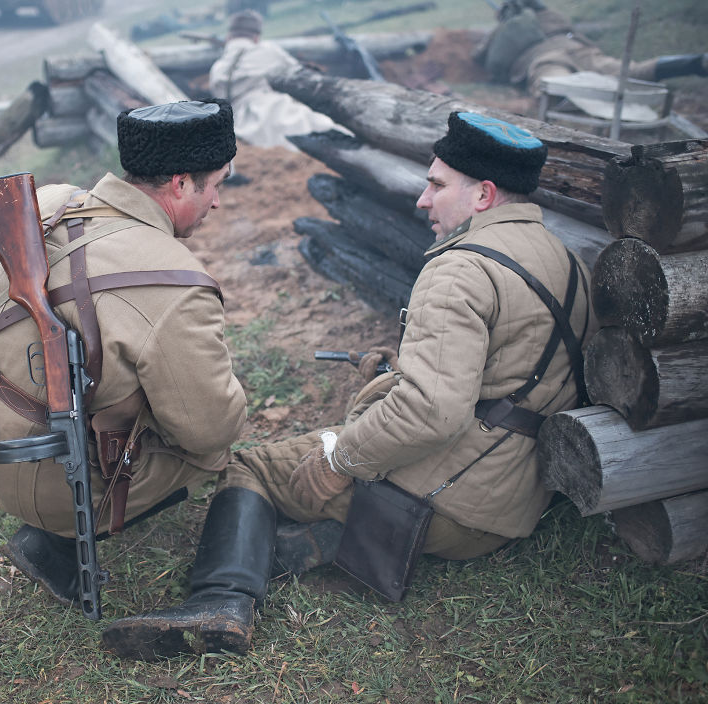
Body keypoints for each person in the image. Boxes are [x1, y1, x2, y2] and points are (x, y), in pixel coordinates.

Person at [100, 111, 598, 660]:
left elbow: (432, 411)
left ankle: (220, 601)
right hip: (510, 507)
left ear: (483, 194)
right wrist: (397, 369)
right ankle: (322, 543)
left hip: (448, 505)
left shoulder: (461, 270)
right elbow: (512, 377)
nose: (422, 201)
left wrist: (339, 463)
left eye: (436, 185)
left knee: (252, 468)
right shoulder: (568, 261)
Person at [0, 99, 248, 608]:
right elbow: (211, 429)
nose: (217, 200)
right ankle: (60, 532)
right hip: (55, 482)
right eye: (215, 183)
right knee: (215, 451)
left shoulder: (44, 203)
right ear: (179, 184)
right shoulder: (175, 282)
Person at [474, 0, 707, 97]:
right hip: (577, 50)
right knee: (633, 71)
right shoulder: (548, 16)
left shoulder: (501, 32)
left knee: (555, 86)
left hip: (545, 60)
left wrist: (502, 24)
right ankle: (695, 62)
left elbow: (481, 58)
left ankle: (595, 102)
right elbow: (563, 23)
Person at [208, 10, 346, 150]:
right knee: (323, 126)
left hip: (237, 123)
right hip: (272, 110)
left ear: (229, 37)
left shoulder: (217, 68)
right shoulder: (267, 50)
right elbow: (299, 74)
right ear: (256, 37)